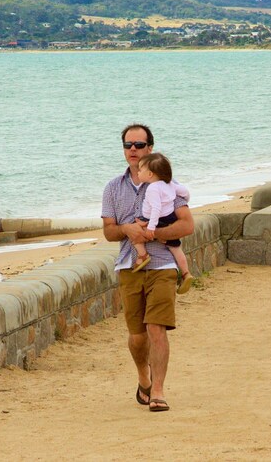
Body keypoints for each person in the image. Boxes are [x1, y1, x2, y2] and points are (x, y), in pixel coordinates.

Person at [102, 123, 194, 413]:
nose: (133, 150)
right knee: (137, 335)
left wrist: (154, 234)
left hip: (163, 264)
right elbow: (108, 231)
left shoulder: (168, 184)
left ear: (150, 148)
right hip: (130, 264)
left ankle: (158, 390)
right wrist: (129, 230)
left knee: (156, 328)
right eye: (128, 145)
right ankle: (144, 376)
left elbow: (187, 225)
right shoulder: (112, 188)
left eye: (139, 145)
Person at [132, 154, 193, 299]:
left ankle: (142, 255)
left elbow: (156, 208)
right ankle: (186, 273)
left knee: (135, 233)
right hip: (170, 217)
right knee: (176, 249)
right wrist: (186, 200)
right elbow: (185, 192)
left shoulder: (152, 188)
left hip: (156, 219)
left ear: (150, 174)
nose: (138, 172)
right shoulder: (169, 184)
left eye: (140, 170)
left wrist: (151, 227)